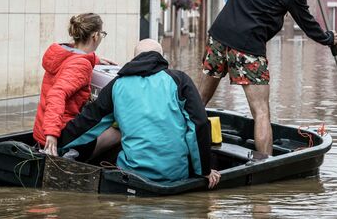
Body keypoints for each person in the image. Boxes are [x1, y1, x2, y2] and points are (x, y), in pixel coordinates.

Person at [200, 0, 337, 156]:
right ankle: (265, 164)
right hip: (247, 48)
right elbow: (308, 25)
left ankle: (178, 141)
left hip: (219, 36)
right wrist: (328, 38)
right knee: (261, 111)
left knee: (200, 99)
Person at [57, 39, 221, 189]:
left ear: (134, 58)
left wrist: (55, 142)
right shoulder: (180, 80)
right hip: (175, 176)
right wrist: (204, 170)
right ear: (161, 57)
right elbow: (199, 124)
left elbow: (87, 123)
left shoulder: (116, 85)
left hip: (133, 176)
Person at [32, 13, 117, 156]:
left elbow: (72, 62)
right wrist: (52, 134)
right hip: (60, 133)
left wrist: (95, 59)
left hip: (40, 131)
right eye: (102, 34)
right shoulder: (81, 64)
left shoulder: (61, 53)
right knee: (117, 130)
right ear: (95, 36)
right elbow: (57, 94)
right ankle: (79, 156)